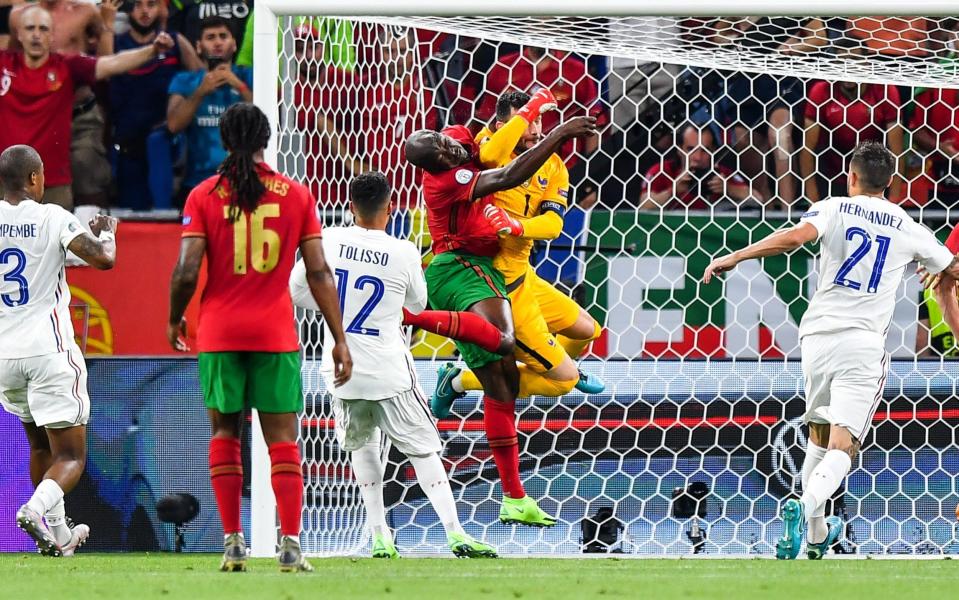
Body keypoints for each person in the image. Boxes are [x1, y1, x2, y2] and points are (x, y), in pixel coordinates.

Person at [702, 141, 959, 560]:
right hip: (863, 344)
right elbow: (949, 275)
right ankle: (803, 510)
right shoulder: (909, 226)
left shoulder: (834, 207)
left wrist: (736, 255)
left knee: (818, 438)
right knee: (843, 445)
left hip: (817, 338)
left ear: (851, 176)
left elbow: (794, 238)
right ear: (890, 182)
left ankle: (816, 537)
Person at [167, 103, 352, 572]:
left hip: (221, 332)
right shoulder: (296, 194)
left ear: (225, 141)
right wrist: (339, 338)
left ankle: (233, 542)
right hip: (274, 333)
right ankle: (290, 545)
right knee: (283, 440)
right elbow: (319, 272)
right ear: (266, 139)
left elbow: (187, 270)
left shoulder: (204, 195)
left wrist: (174, 317)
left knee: (225, 431)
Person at [404, 91, 597, 528]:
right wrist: (556, 128)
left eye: (445, 140)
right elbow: (503, 168)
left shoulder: (456, 141)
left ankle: (512, 492)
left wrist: (518, 224)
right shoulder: (451, 174)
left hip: (511, 273)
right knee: (530, 366)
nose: (452, 145)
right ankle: (423, 329)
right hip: (465, 271)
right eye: (441, 149)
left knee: (573, 336)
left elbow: (551, 220)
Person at [289, 171, 498, 559]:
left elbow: (297, 292)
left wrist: (335, 307)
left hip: (341, 371)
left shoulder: (328, 240)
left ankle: (380, 536)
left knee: (362, 449)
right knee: (423, 452)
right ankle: (455, 533)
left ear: (351, 207)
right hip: (389, 370)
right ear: (389, 208)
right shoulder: (403, 251)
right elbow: (419, 307)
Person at [433, 91, 605, 408]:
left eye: (539, 120)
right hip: (500, 286)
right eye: (528, 122)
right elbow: (491, 157)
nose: (536, 130)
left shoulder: (553, 166)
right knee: (563, 382)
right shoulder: (489, 146)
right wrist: (528, 111)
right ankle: (458, 380)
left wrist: (517, 226)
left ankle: (549, 358)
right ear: (502, 124)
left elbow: (554, 225)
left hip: (524, 275)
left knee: (587, 330)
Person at [0, 144, 117, 556]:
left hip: (4, 357)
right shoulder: (52, 216)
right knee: (70, 455)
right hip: (47, 350)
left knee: (38, 447)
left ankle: (58, 534)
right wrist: (107, 233)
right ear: (33, 179)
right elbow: (103, 259)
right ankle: (35, 510)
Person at [0, 4, 175, 209]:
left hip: (53, 182)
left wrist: (152, 50)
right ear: (18, 34)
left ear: (52, 36)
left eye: (43, 29)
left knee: (57, 239)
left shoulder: (68, 66)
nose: (36, 35)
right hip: (6, 180)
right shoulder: (4, 64)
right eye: (30, 29)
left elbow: (113, 63)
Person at [10, 0, 125, 207]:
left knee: (89, 176)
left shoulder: (86, 11)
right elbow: (11, 65)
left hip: (79, 116)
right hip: (38, 117)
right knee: (27, 183)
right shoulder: (19, 15)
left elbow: (106, 65)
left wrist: (107, 25)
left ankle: (94, 236)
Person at [110, 0, 201, 210]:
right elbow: (104, 75)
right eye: (138, 5)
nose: (144, 11)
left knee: (163, 215)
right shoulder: (118, 43)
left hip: (167, 145)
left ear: (161, 9)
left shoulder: (176, 42)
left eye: (151, 5)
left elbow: (199, 77)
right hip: (128, 146)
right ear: (129, 10)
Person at [167, 16, 253, 204]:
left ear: (234, 45)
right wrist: (200, 92)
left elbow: (269, 117)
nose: (217, 42)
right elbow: (173, 125)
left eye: (223, 36)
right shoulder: (185, 81)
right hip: (197, 183)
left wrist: (239, 86)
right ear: (198, 46)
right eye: (210, 37)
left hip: (245, 180)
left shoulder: (249, 76)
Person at [801, 79, 903, 203]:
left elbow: (897, 152)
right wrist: (813, 200)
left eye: (854, 59)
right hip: (832, 175)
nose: (848, 65)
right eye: (843, 60)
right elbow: (807, 149)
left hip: (874, 177)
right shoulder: (823, 90)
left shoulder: (885, 91)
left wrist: (894, 200)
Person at [639, 123, 758, 210]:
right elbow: (642, 207)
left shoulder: (721, 174)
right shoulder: (662, 171)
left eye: (705, 150)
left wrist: (728, 189)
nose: (698, 157)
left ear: (714, 151)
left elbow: (759, 200)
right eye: (691, 149)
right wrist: (673, 191)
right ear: (679, 149)